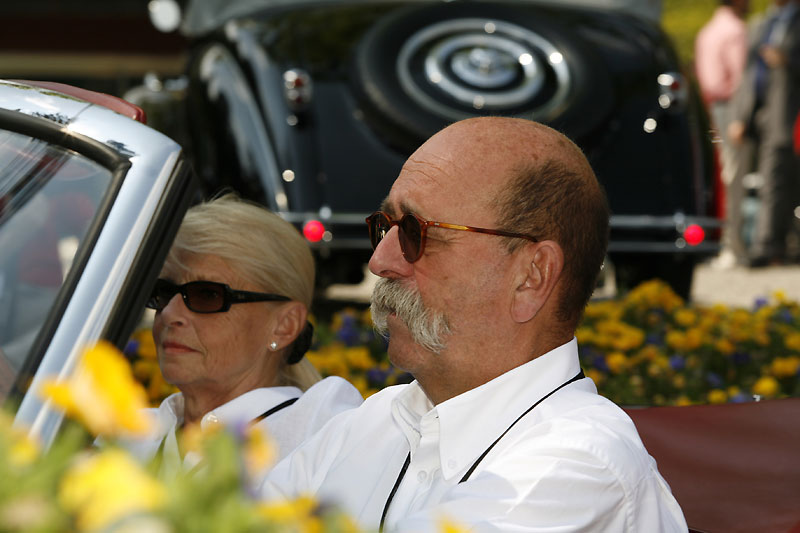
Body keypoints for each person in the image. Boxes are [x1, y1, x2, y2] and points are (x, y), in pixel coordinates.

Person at [259, 117, 687, 531]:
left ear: (531, 277)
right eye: (385, 227)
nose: (380, 261)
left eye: (414, 231)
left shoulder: (578, 466)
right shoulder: (374, 423)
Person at [123, 193, 363, 482]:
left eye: (207, 295)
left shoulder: (321, 436)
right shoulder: (128, 435)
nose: (170, 313)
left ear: (285, 326)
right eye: (162, 292)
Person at [728, 0, 800, 267]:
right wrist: (740, 117)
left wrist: (788, 61)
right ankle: (769, 244)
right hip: (761, 115)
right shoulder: (761, 24)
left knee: (778, 179)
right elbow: (748, 74)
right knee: (770, 181)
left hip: (790, 115)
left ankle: (769, 245)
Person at [695, 0, 751, 268]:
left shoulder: (708, 31)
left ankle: (728, 243)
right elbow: (742, 78)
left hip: (713, 107)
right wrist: (741, 117)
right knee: (732, 178)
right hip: (728, 108)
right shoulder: (736, 30)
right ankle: (732, 244)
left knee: (724, 178)